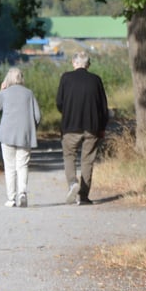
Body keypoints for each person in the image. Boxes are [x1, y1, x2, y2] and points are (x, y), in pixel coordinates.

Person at [56, 51, 109, 205]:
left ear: (74, 63)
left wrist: (67, 112)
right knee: (87, 161)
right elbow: (103, 107)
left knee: (69, 156)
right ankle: (84, 196)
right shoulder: (96, 80)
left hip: (70, 126)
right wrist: (102, 127)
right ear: (88, 64)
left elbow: (59, 102)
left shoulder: (66, 78)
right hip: (92, 126)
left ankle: (73, 183)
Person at [0, 67, 41, 208]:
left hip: (6, 135)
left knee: (10, 167)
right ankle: (22, 193)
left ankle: (11, 198)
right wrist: (32, 128)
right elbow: (37, 116)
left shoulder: (5, 93)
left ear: (8, 79)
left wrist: (1, 89)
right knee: (23, 165)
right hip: (25, 135)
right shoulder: (29, 94)